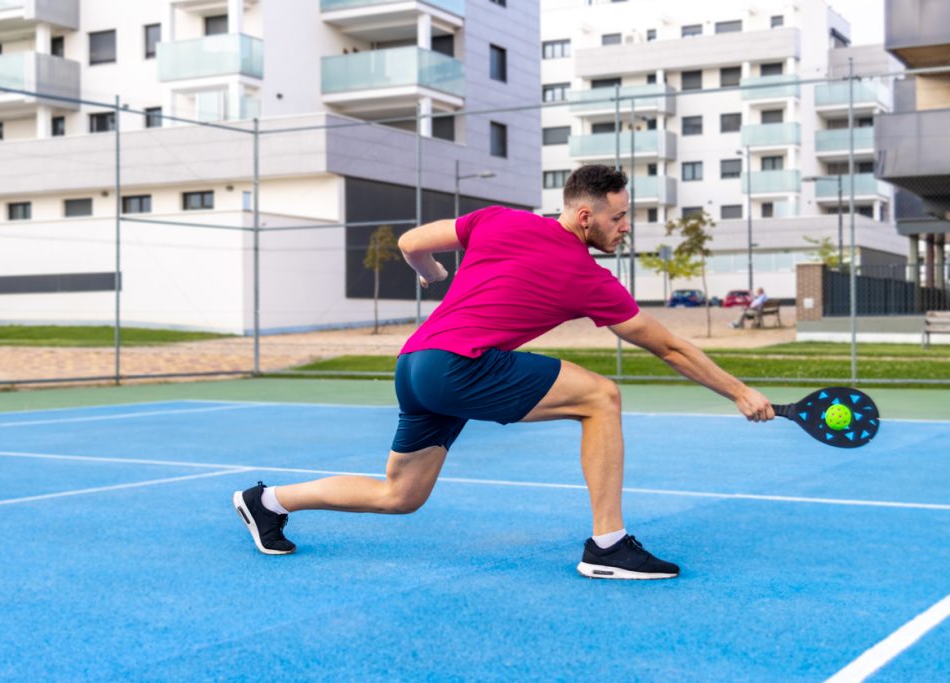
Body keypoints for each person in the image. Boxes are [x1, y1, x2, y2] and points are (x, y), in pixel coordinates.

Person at [233, 165, 774, 580]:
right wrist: (738, 391)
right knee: (601, 397)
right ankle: (608, 546)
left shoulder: (497, 220)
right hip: (459, 366)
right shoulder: (587, 276)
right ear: (586, 217)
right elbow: (670, 348)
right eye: (618, 217)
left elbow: (409, 242)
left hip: (414, 364)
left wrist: (432, 272)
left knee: (400, 496)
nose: (625, 226)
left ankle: (270, 501)